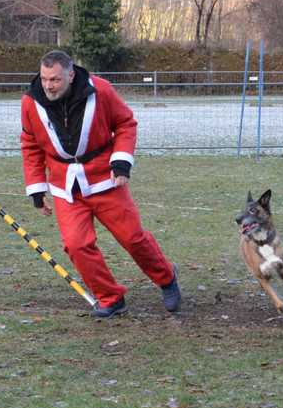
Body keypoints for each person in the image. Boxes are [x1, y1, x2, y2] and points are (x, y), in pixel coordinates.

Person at [20, 50, 181, 318]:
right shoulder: (30, 102)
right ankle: (110, 298)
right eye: (44, 79)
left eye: (55, 79)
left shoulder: (101, 90)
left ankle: (166, 278)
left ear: (71, 75)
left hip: (106, 179)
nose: (48, 86)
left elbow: (126, 124)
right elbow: (30, 144)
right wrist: (37, 188)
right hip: (65, 186)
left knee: (132, 238)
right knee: (76, 245)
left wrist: (121, 163)